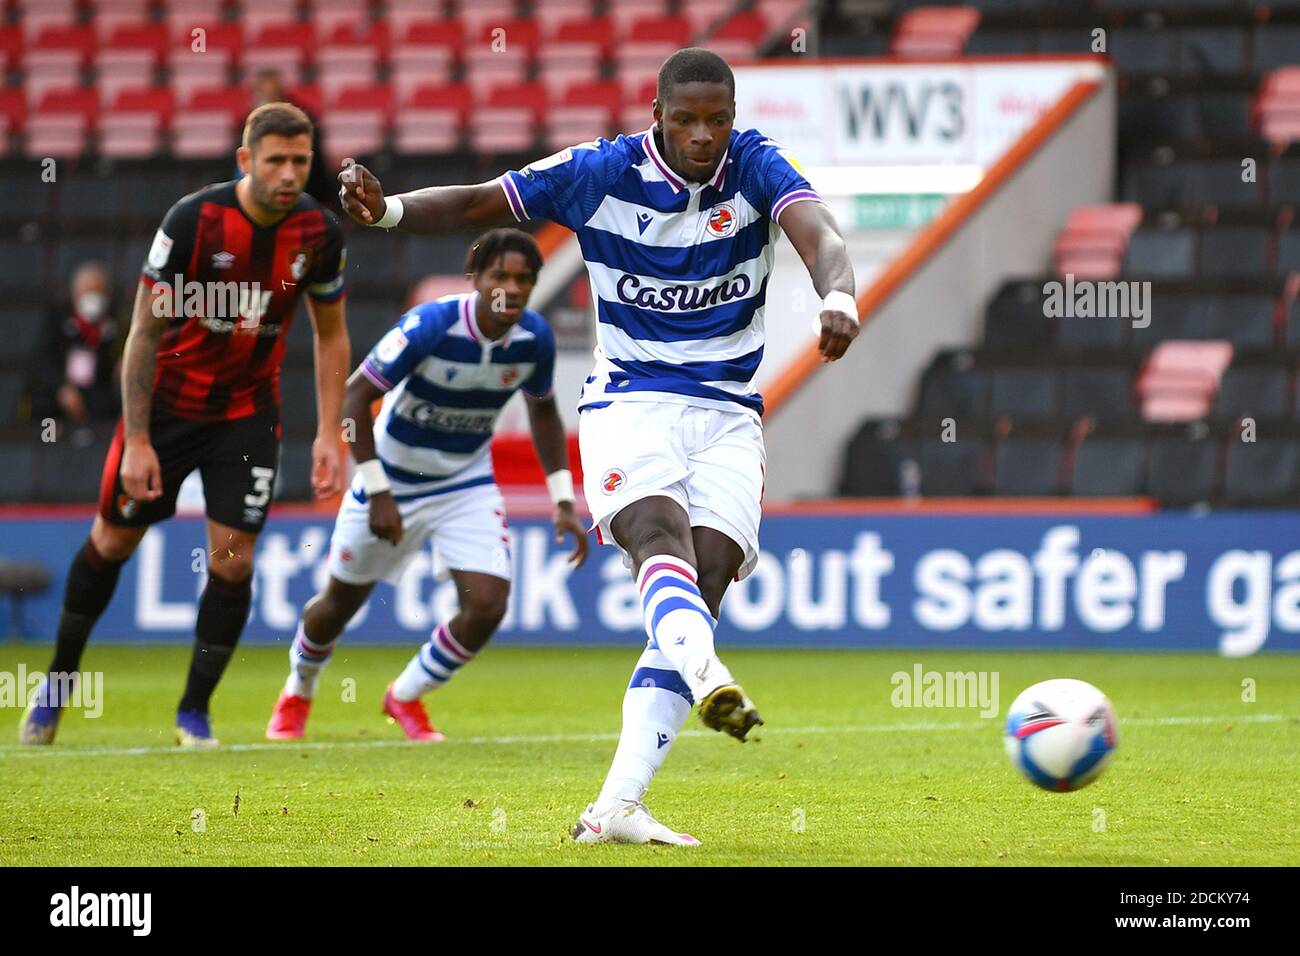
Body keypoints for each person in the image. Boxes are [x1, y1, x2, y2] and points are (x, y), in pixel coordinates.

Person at [336, 48, 859, 844]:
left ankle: (615, 807)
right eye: (685, 119)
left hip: (727, 411)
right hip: (631, 403)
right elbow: (484, 199)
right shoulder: (598, 172)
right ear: (656, 116)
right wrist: (388, 213)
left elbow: (818, 233)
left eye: (717, 118)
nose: (702, 135)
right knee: (660, 539)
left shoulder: (755, 164)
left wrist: (840, 294)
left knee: (708, 576)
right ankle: (709, 672)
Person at [20, 103, 351, 748]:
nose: (289, 173)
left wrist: (327, 431)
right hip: (167, 411)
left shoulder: (318, 232)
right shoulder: (193, 221)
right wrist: (137, 437)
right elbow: (142, 331)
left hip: (248, 417)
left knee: (233, 562)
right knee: (113, 542)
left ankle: (193, 714)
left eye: (301, 161)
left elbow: (332, 336)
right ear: (245, 161)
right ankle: (56, 686)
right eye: (276, 159)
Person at [266, 228, 588, 741]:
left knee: (487, 604)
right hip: (390, 475)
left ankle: (405, 695)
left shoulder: (534, 339)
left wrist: (563, 499)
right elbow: (353, 402)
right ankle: (298, 689)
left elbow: (543, 412)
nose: (511, 288)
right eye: (499, 276)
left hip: (464, 482)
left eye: (524, 279)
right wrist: (379, 491)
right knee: (339, 605)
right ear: (475, 279)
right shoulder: (430, 325)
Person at [27, 262, 121, 426]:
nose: (93, 298)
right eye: (88, 292)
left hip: (98, 397)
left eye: (98, 292)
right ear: (75, 295)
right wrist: (61, 388)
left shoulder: (117, 322)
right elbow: (42, 360)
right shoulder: (57, 320)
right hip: (61, 395)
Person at [245, 69, 336, 210]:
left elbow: (317, 166)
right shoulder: (250, 123)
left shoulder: (304, 121)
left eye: (272, 92)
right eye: (263, 92)